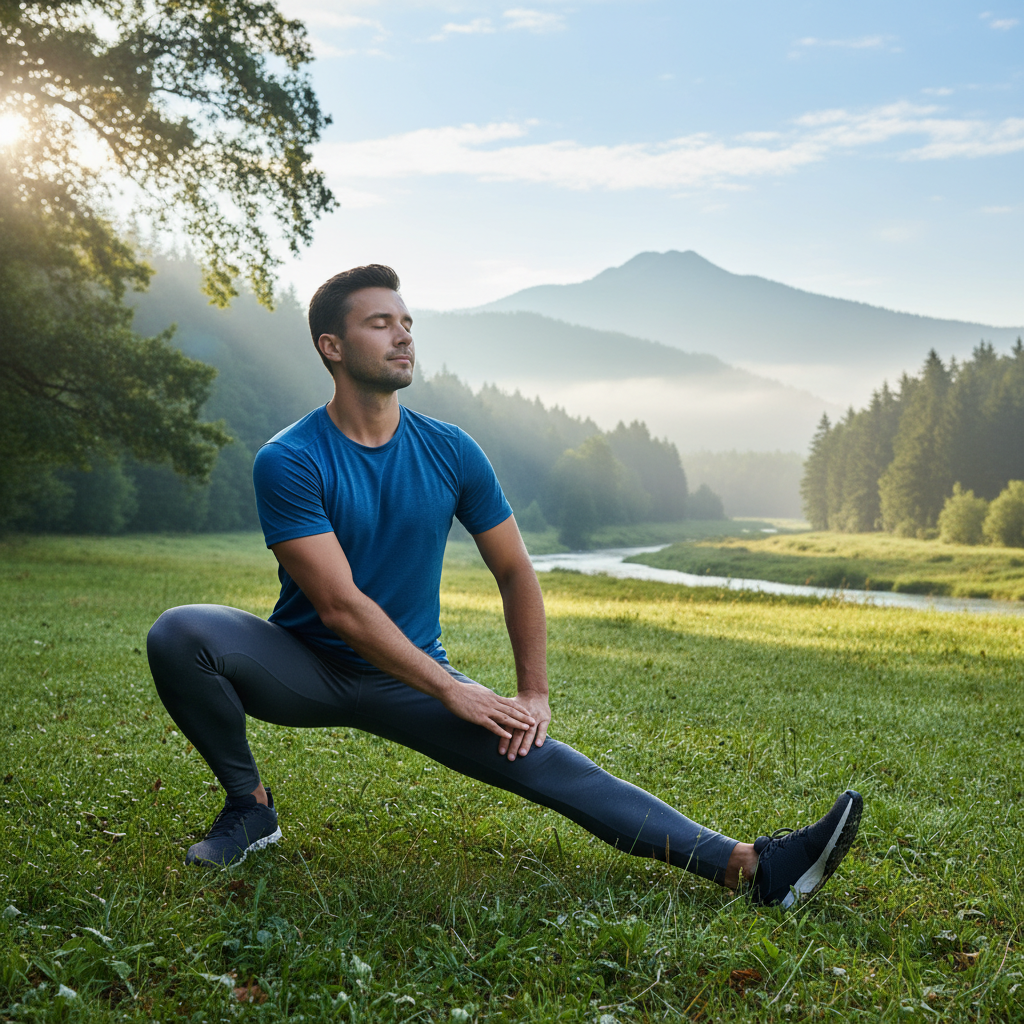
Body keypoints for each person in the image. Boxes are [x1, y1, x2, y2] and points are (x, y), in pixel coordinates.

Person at [146, 264, 861, 909]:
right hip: (306, 665)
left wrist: (532, 693)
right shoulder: (291, 458)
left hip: (411, 679)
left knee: (554, 767)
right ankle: (250, 807)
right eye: (380, 323)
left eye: (407, 323)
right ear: (332, 346)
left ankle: (752, 868)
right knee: (181, 634)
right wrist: (451, 687)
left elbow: (516, 569)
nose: (403, 337)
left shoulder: (451, 449)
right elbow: (339, 605)